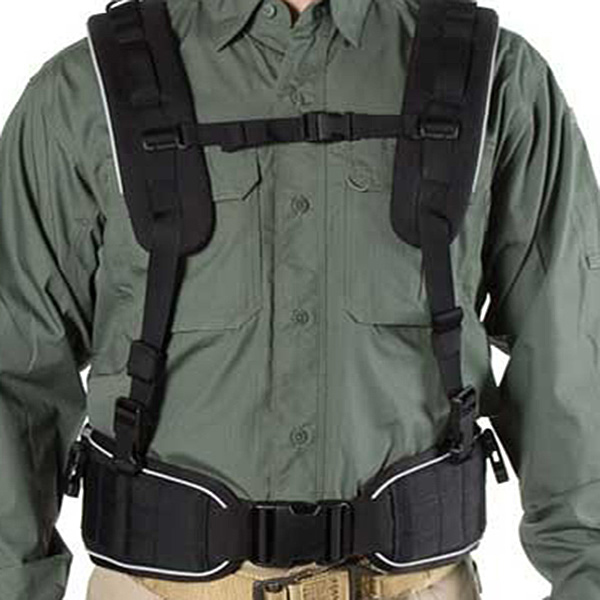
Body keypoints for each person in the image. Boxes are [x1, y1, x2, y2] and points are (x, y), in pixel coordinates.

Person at [0, 0, 599, 598]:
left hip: (418, 584)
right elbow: (16, 375)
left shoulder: (493, 78)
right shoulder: (87, 90)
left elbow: (571, 354)